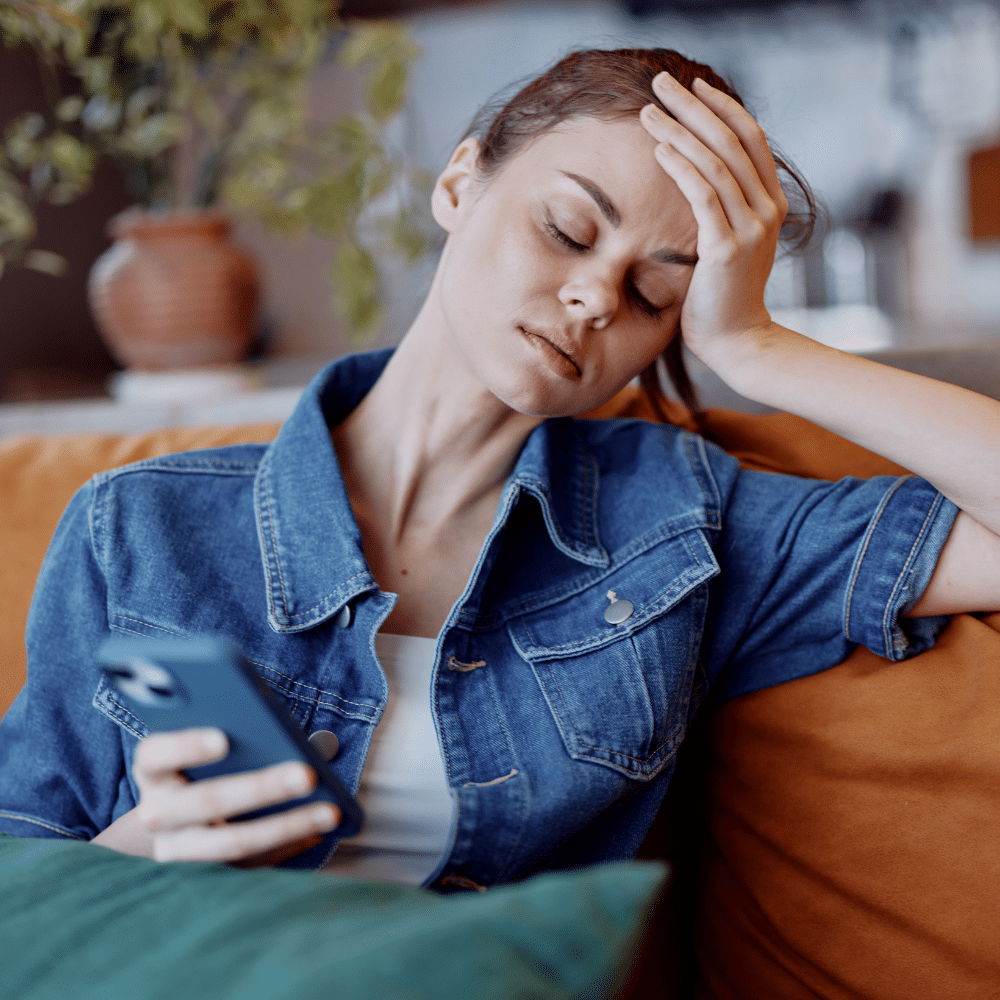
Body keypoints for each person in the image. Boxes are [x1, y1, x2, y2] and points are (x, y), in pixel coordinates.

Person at [1, 47, 998, 889]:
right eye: (566, 229)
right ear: (458, 182)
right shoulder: (137, 529)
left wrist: (756, 351)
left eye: (654, 294)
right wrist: (135, 853)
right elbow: (23, 882)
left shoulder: (682, 524)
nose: (594, 298)